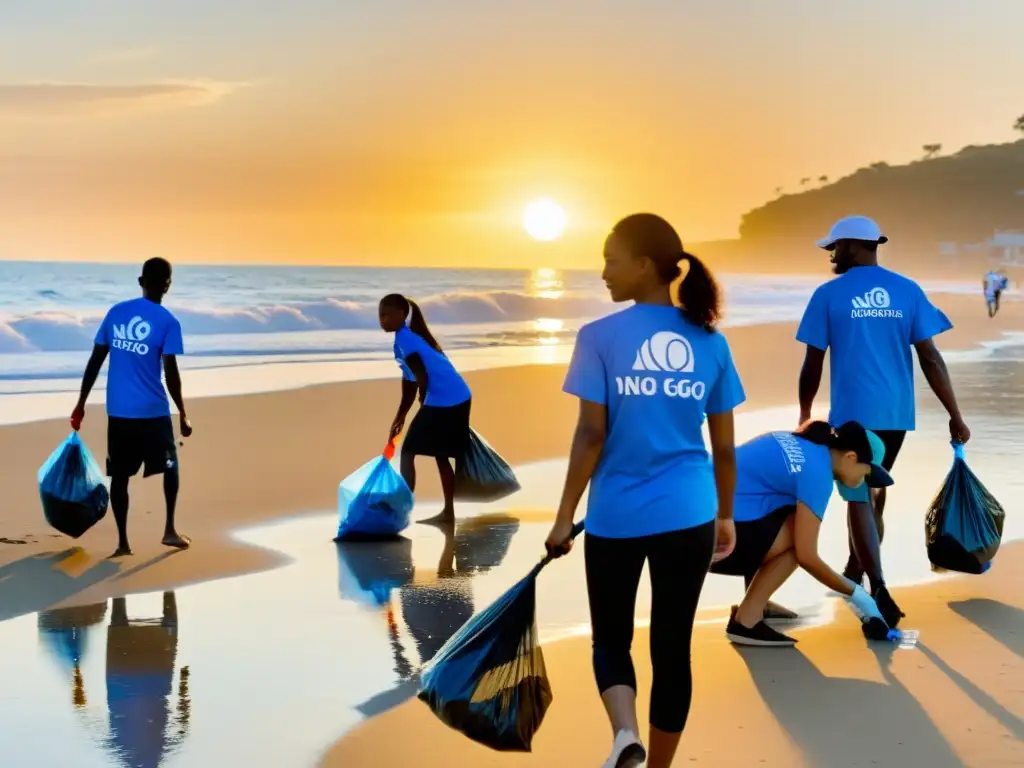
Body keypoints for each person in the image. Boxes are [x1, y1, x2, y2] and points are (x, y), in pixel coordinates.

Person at [545, 213, 745, 768]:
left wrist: (564, 516)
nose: (603, 272)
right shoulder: (710, 339)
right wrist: (725, 517)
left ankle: (624, 736)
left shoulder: (600, 337)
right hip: (690, 514)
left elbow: (591, 434)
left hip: (616, 516)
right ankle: (657, 766)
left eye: (611, 260)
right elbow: (724, 448)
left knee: (611, 641)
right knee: (672, 650)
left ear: (644, 265)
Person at [797, 215, 969, 627]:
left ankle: (873, 584)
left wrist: (804, 412)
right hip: (895, 415)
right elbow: (929, 356)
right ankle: (857, 568)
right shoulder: (906, 290)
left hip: (853, 416)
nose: (832, 255)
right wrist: (954, 414)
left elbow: (813, 360)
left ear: (855, 245)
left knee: (859, 497)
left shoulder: (828, 294)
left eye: (835, 247)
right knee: (875, 487)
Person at [713, 421, 891, 647]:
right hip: (713, 542)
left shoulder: (797, 442)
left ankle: (756, 605)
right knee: (800, 539)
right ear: (850, 457)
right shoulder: (817, 474)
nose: (863, 483)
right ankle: (747, 621)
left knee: (788, 517)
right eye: (867, 474)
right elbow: (807, 557)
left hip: (689, 523)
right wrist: (859, 596)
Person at [71, 257, 192, 558]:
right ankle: (169, 530)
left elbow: (96, 360)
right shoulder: (168, 321)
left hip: (120, 411)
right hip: (153, 411)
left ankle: (123, 543)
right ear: (168, 285)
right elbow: (171, 373)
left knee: (120, 477)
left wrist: (81, 403)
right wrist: (183, 412)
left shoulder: (115, 313)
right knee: (170, 466)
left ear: (141, 281)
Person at [379, 293, 472, 525]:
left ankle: (400, 509)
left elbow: (421, 377)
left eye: (388, 315)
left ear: (402, 314)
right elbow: (410, 380)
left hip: (445, 399)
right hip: (457, 396)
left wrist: (423, 401)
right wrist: (400, 415)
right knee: (440, 455)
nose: (383, 320)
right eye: (380, 315)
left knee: (409, 450)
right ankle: (448, 514)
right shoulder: (405, 338)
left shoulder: (405, 339)